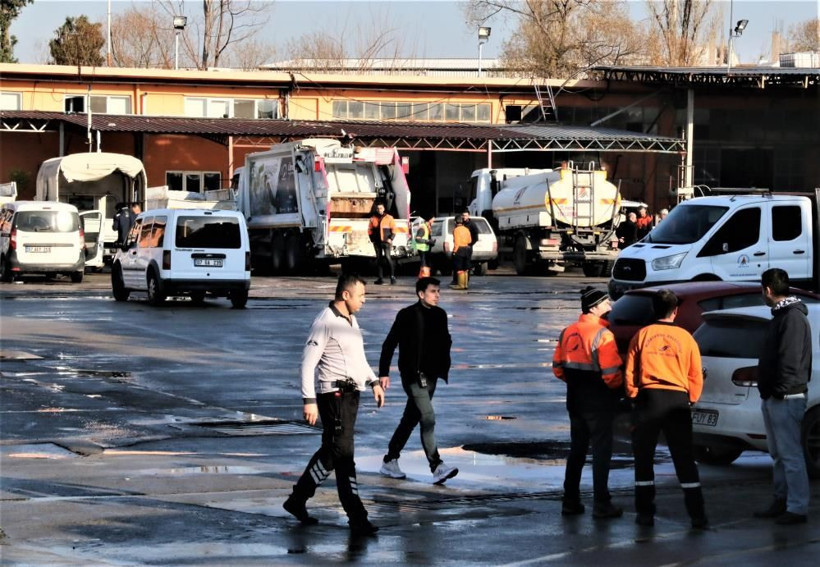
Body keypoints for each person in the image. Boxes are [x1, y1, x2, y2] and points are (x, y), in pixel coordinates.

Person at [283, 274, 386, 536]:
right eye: (361, 295)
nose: (364, 300)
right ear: (345, 295)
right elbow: (307, 364)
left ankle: (297, 499)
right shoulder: (325, 322)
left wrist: (373, 380)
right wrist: (309, 401)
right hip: (334, 397)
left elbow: (358, 357)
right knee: (344, 456)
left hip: (352, 396)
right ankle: (357, 516)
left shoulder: (351, 319)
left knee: (332, 453)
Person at [625, 289, 707, 529]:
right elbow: (695, 374)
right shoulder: (686, 338)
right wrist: (690, 399)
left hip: (648, 399)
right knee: (684, 459)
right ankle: (697, 515)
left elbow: (630, 371)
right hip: (677, 401)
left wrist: (633, 396)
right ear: (676, 311)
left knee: (644, 458)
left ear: (653, 309)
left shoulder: (642, 335)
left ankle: (645, 514)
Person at [378, 276, 458, 484]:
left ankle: (390, 460)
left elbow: (444, 342)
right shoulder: (407, 315)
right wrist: (383, 373)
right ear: (421, 294)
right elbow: (389, 344)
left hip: (431, 377)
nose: (437, 295)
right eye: (433, 291)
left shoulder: (440, 315)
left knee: (411, 418)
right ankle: (436, 466)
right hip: (413, 377)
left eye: (438, 291)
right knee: (428, 417)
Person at [552, 287, 624, 519]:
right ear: (594, 308)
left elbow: (558, 369)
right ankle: (602, 504)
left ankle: (570, 501)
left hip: (575, 400)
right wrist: (618, 391)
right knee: (601, 453)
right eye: (606, 303)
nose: (610, 307)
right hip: (599, 401)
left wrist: (576, 384)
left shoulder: (567, 332)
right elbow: (612, 375)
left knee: (577, 451)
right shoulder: (603, 335)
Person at [754, 268, 810, 524]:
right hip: (778, 395)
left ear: (768, 290)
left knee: (790, 455)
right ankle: (782, 499)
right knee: (779, 454)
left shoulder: (791, 318)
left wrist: (778, 389)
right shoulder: (783, 316)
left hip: (787, 397)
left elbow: (789, 360)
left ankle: (796, 507)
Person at [368, 202, 396, 285]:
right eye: (378, 208)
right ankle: (380, 278)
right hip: (377, 242)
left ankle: (392, 277)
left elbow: (394, 229)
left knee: (388, 258)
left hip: (386, 241)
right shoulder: (373, 218)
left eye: (380, 208)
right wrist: (372, 239)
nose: (379, 210)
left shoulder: (389, 218)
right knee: (379, 259)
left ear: (384, 209)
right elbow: (370, 230)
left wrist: (391, 238)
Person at [450, 216, 472, 290]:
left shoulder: (456, 230)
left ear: (456, 222)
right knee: (466, 267)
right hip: (467, 249)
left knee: (459, 267)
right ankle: (465, 284)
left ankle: (460, 285)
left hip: (459, 249)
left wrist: (454, 251)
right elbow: (469, 241)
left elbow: (456, 242)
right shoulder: (467, 229)